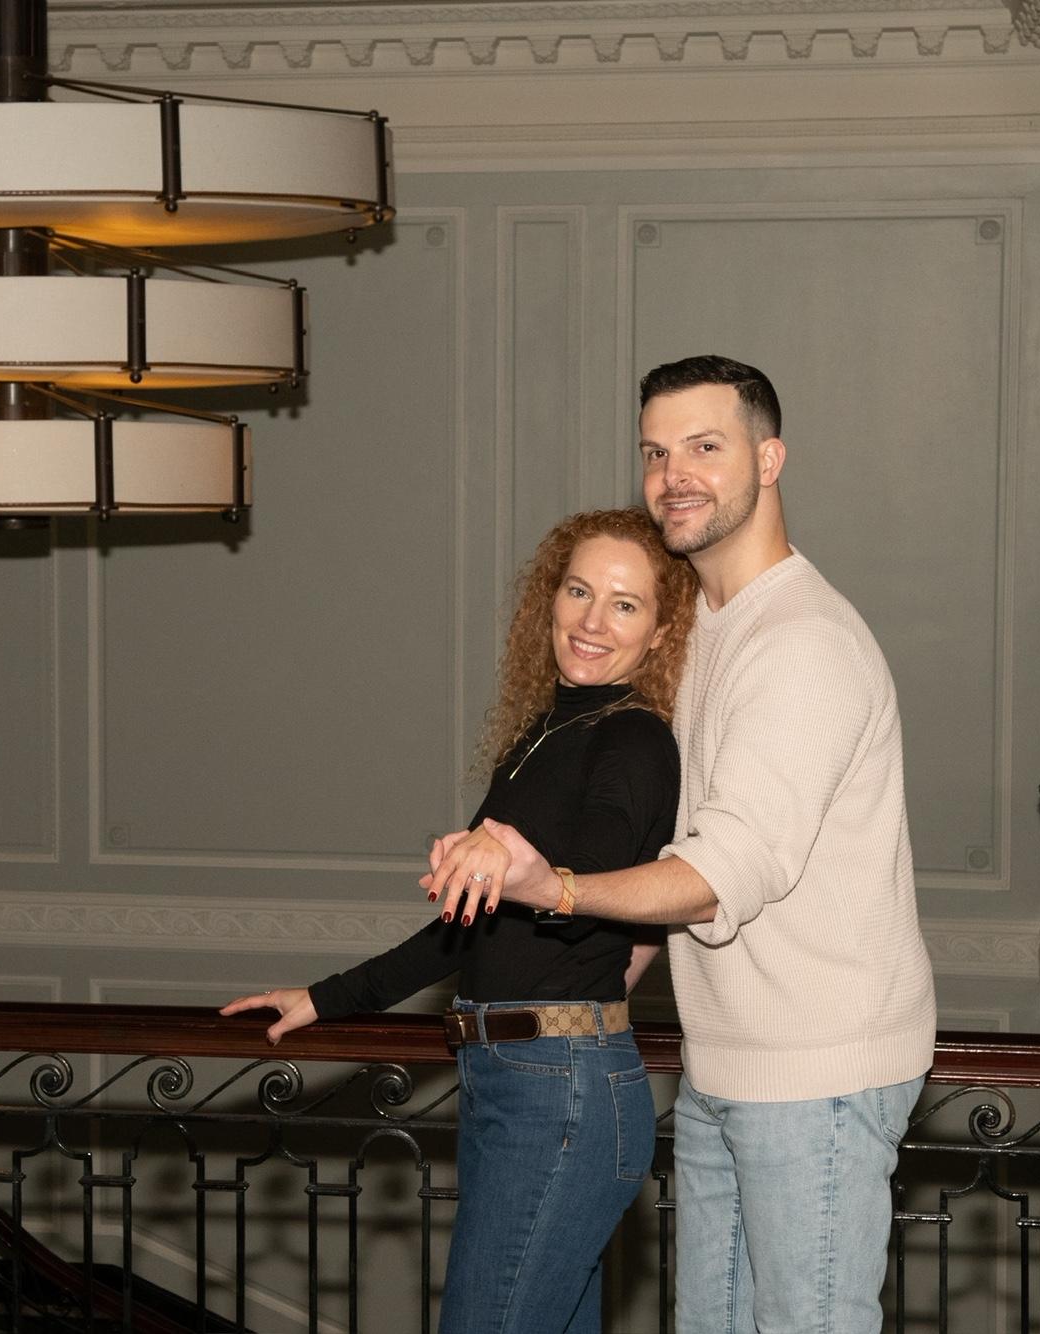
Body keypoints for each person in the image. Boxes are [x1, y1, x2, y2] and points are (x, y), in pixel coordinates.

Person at [427, 355, 937, 1334]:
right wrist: (601, 976)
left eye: (704, 446)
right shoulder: (697, 628)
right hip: (723, 1063)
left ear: (769, 458)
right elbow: (679, 837)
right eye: (655, 451)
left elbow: (718, 875)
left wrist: (554, 886)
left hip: (819, 1075)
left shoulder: (802, 642)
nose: (674, 475)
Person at [222, 507, 698, 1334]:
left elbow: (595, 877)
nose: (592, 620)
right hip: (513, 1078)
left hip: (560, 1087)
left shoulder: (633, 740)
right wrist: (327, 997)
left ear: (660, 634)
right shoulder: (545, 733)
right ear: (550, 599)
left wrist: (530, 870)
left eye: (625, 604)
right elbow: (463, 928)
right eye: (579, 591)